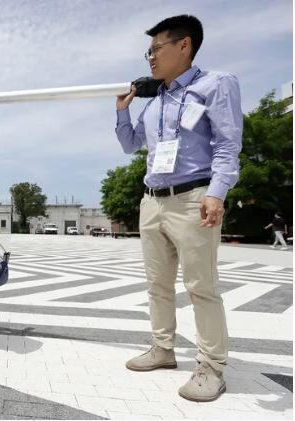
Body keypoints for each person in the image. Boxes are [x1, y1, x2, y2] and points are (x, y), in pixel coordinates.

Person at [115, 15, 242, 402]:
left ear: (183, 46)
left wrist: (217, 193)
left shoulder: (215, 85)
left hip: (193, 198)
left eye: (156, 49)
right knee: (157, 284)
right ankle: (163, 349)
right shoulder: (157, 101)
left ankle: (211, 366)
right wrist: (123, 110)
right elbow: (130, 144)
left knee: (201, 285)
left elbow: (227, 144)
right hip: (152, 201)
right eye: (148, 51)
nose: (150, 57)